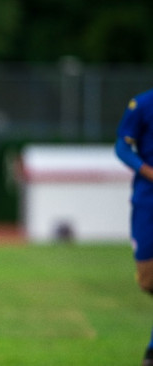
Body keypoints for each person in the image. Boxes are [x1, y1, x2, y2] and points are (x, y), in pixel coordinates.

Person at [114, 88, 153, 366]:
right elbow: (122, 146)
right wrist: (148, 171)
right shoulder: (142, 104)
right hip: (147, 200)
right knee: (147, 280)